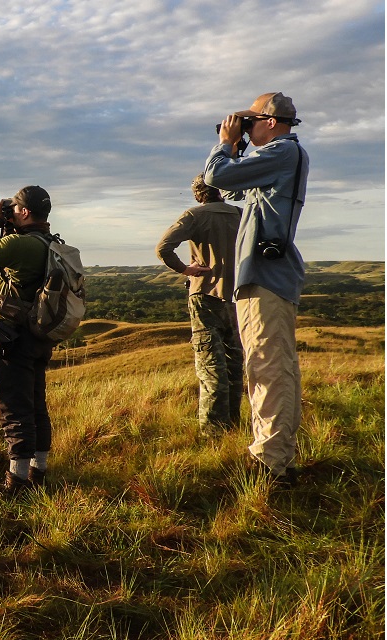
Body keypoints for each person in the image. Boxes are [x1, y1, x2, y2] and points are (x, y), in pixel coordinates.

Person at [204, 92, 308, 486]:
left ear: (269, 121)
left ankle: (273, 464)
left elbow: (216, 177)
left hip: (266, 275)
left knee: (268, 367)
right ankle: (275, 454)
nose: (244, 129)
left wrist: (226, 145)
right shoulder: (278, 158)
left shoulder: (283, 151)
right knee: (272, 365)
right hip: (265, 275)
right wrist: (241, 146)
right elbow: (230, 192)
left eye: (250, 123)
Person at [0, 185, 57, 493]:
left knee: (14, 410)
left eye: (15, 209)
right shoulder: (49, 242)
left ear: (25, 212)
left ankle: (16, 482)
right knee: (36, 407)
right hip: (38, 336)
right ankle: (37, 473)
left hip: (13, 339)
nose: (11, 214)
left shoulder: (22, 244)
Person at [155, 174, 244, 436]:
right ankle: (233, 425)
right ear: (221, 191)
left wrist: (187, 270)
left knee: (210, 365)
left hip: (205, 296)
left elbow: (163, 248)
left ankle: (213, 433)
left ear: (198, 194)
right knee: (233, 364)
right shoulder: (239, 214)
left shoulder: (194, 215)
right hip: (238, 297)